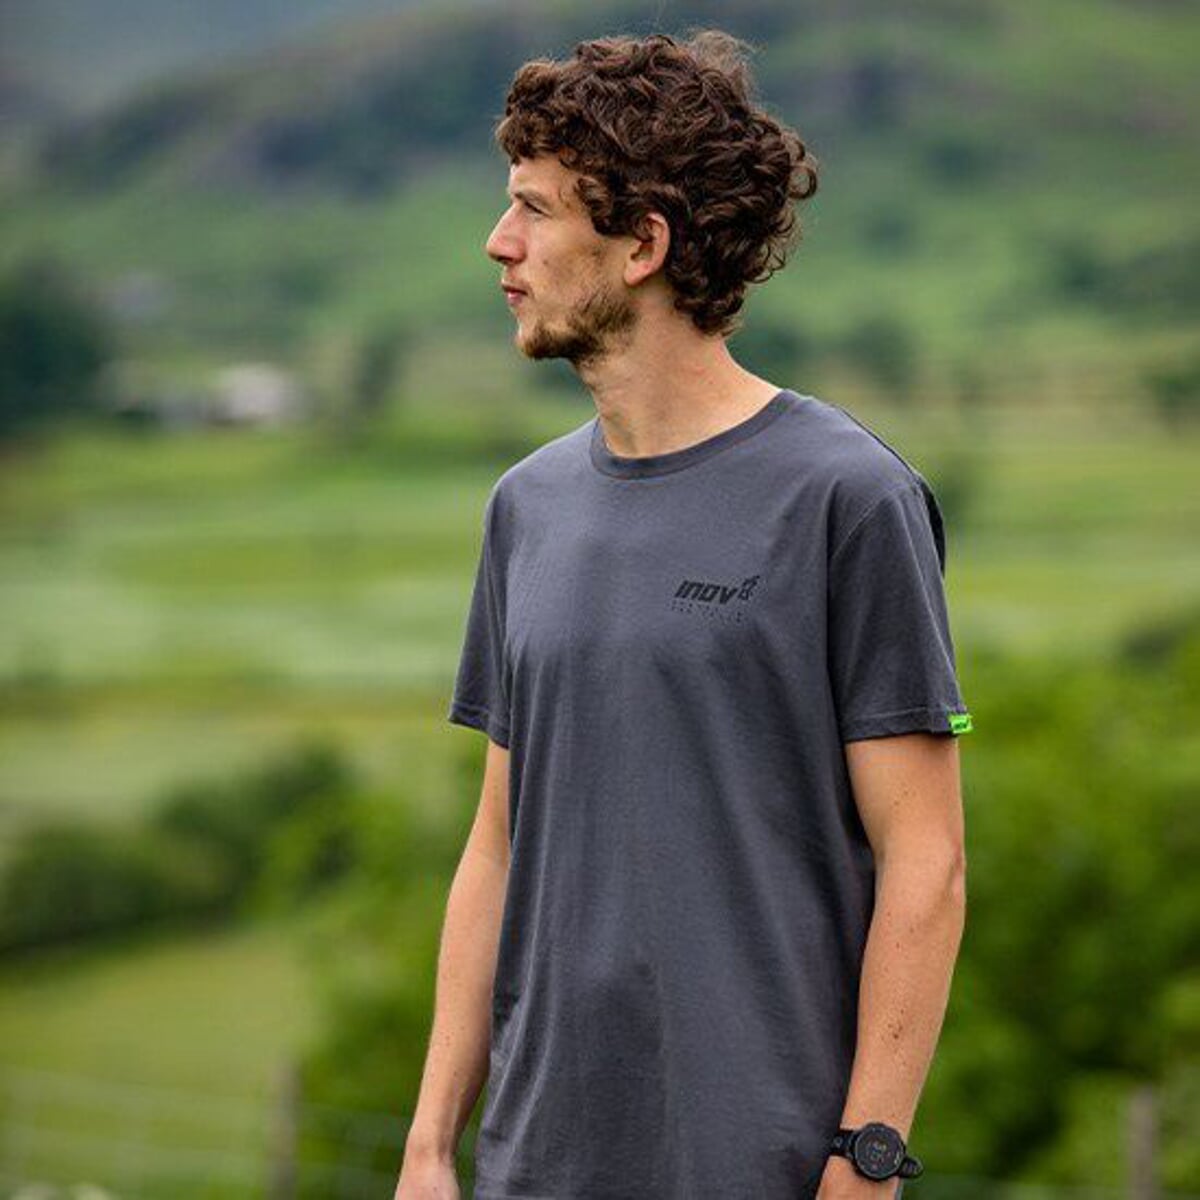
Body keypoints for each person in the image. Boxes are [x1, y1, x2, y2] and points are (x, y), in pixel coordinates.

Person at [395, 29, 971, 1200]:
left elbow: (928, 860)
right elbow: (497, 846)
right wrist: (427, 1148)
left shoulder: (847, 497)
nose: (499, 242)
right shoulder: (525, 508)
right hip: (536, 1165)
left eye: (535, 210)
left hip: (761, 1164)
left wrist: (866, 1161)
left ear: (644, 245)